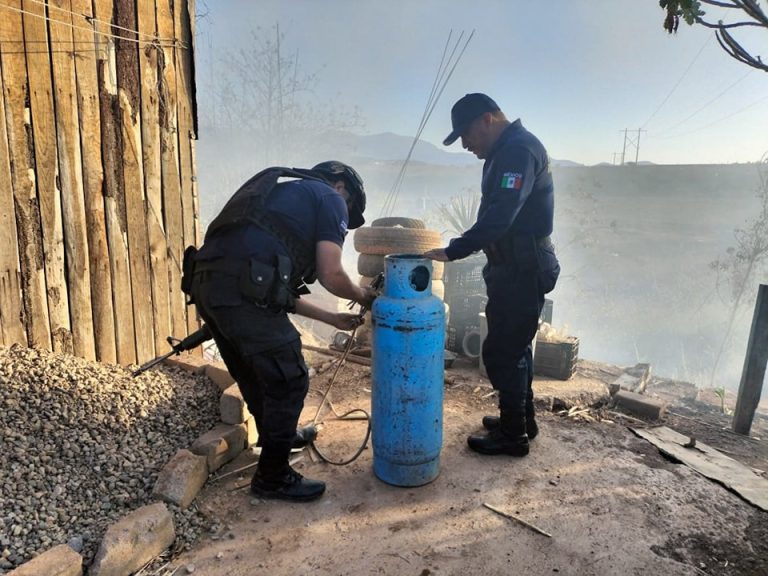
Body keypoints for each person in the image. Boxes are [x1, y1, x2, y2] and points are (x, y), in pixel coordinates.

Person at [186, 161, 376, 501]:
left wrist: (332, 320)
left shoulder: (278, 196)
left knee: (258, 375)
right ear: (341, 187)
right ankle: (273, 477)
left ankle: (280, 438)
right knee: (289, 378)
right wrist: (364, 296)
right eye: (349, 211)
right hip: (240, 290)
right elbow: (332, 274)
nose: (343, 218)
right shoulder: (329, 198)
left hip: (208, 285)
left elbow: (274, 291)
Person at [424, 93, 560, 457]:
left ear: (487, 119)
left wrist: (455, 249)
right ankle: (521, 421)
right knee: (514, 345)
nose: (466, 145)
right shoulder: (505, 152)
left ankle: (513, 436)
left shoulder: (518, 151)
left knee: (503, 349)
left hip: (523, 264)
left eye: (466, 135)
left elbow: (501, 216)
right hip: (511, 263)